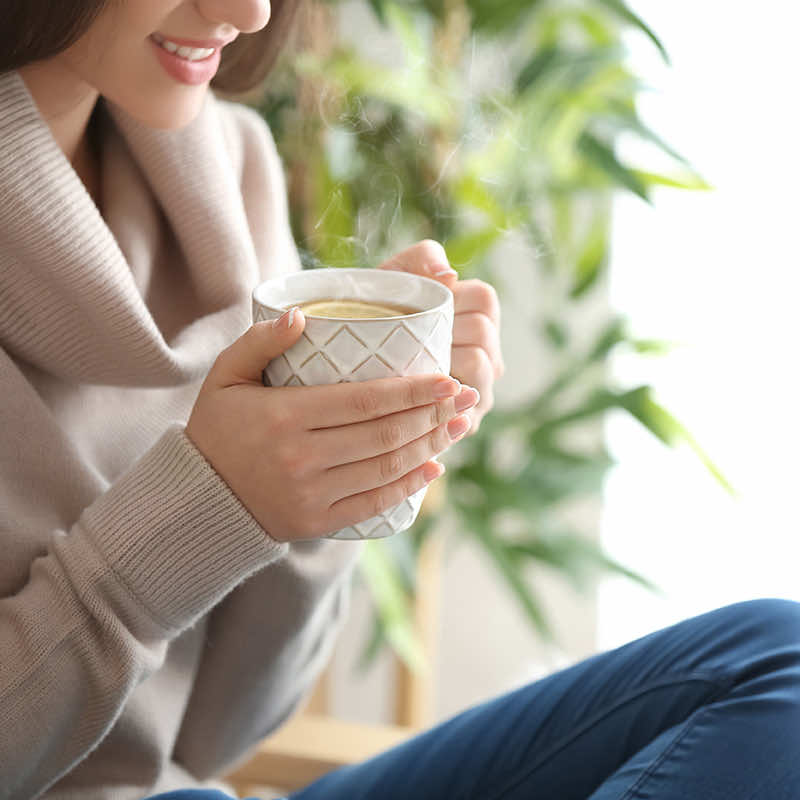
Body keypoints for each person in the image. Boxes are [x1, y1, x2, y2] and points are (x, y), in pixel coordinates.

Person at [0, 2, 797, 799]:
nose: (249, 12)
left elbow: (216, 734)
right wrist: (197, 513)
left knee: (776, 663)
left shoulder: (228, 174)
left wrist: (336, 467)